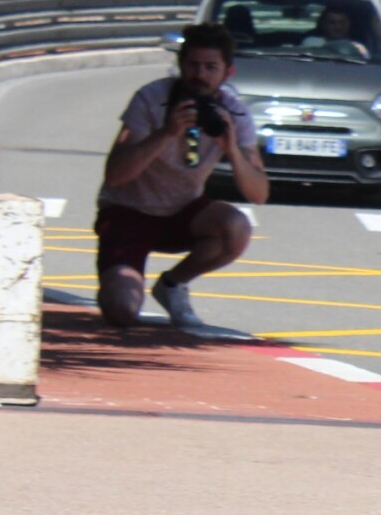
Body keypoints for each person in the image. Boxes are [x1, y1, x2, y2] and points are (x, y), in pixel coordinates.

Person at [95, 22, 268, 330]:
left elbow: (259, 193)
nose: (199, 75)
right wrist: (166, 133)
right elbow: (115, 175)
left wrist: (232, 148)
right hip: (128, 212)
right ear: (180, 65)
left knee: (236, 227)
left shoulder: (234, 111)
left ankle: (174, 285)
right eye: (193, 65)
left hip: (182, 212)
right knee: (121, 309)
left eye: (210, 67)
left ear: (228, 72)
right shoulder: (151, 99)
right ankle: (119, 282)